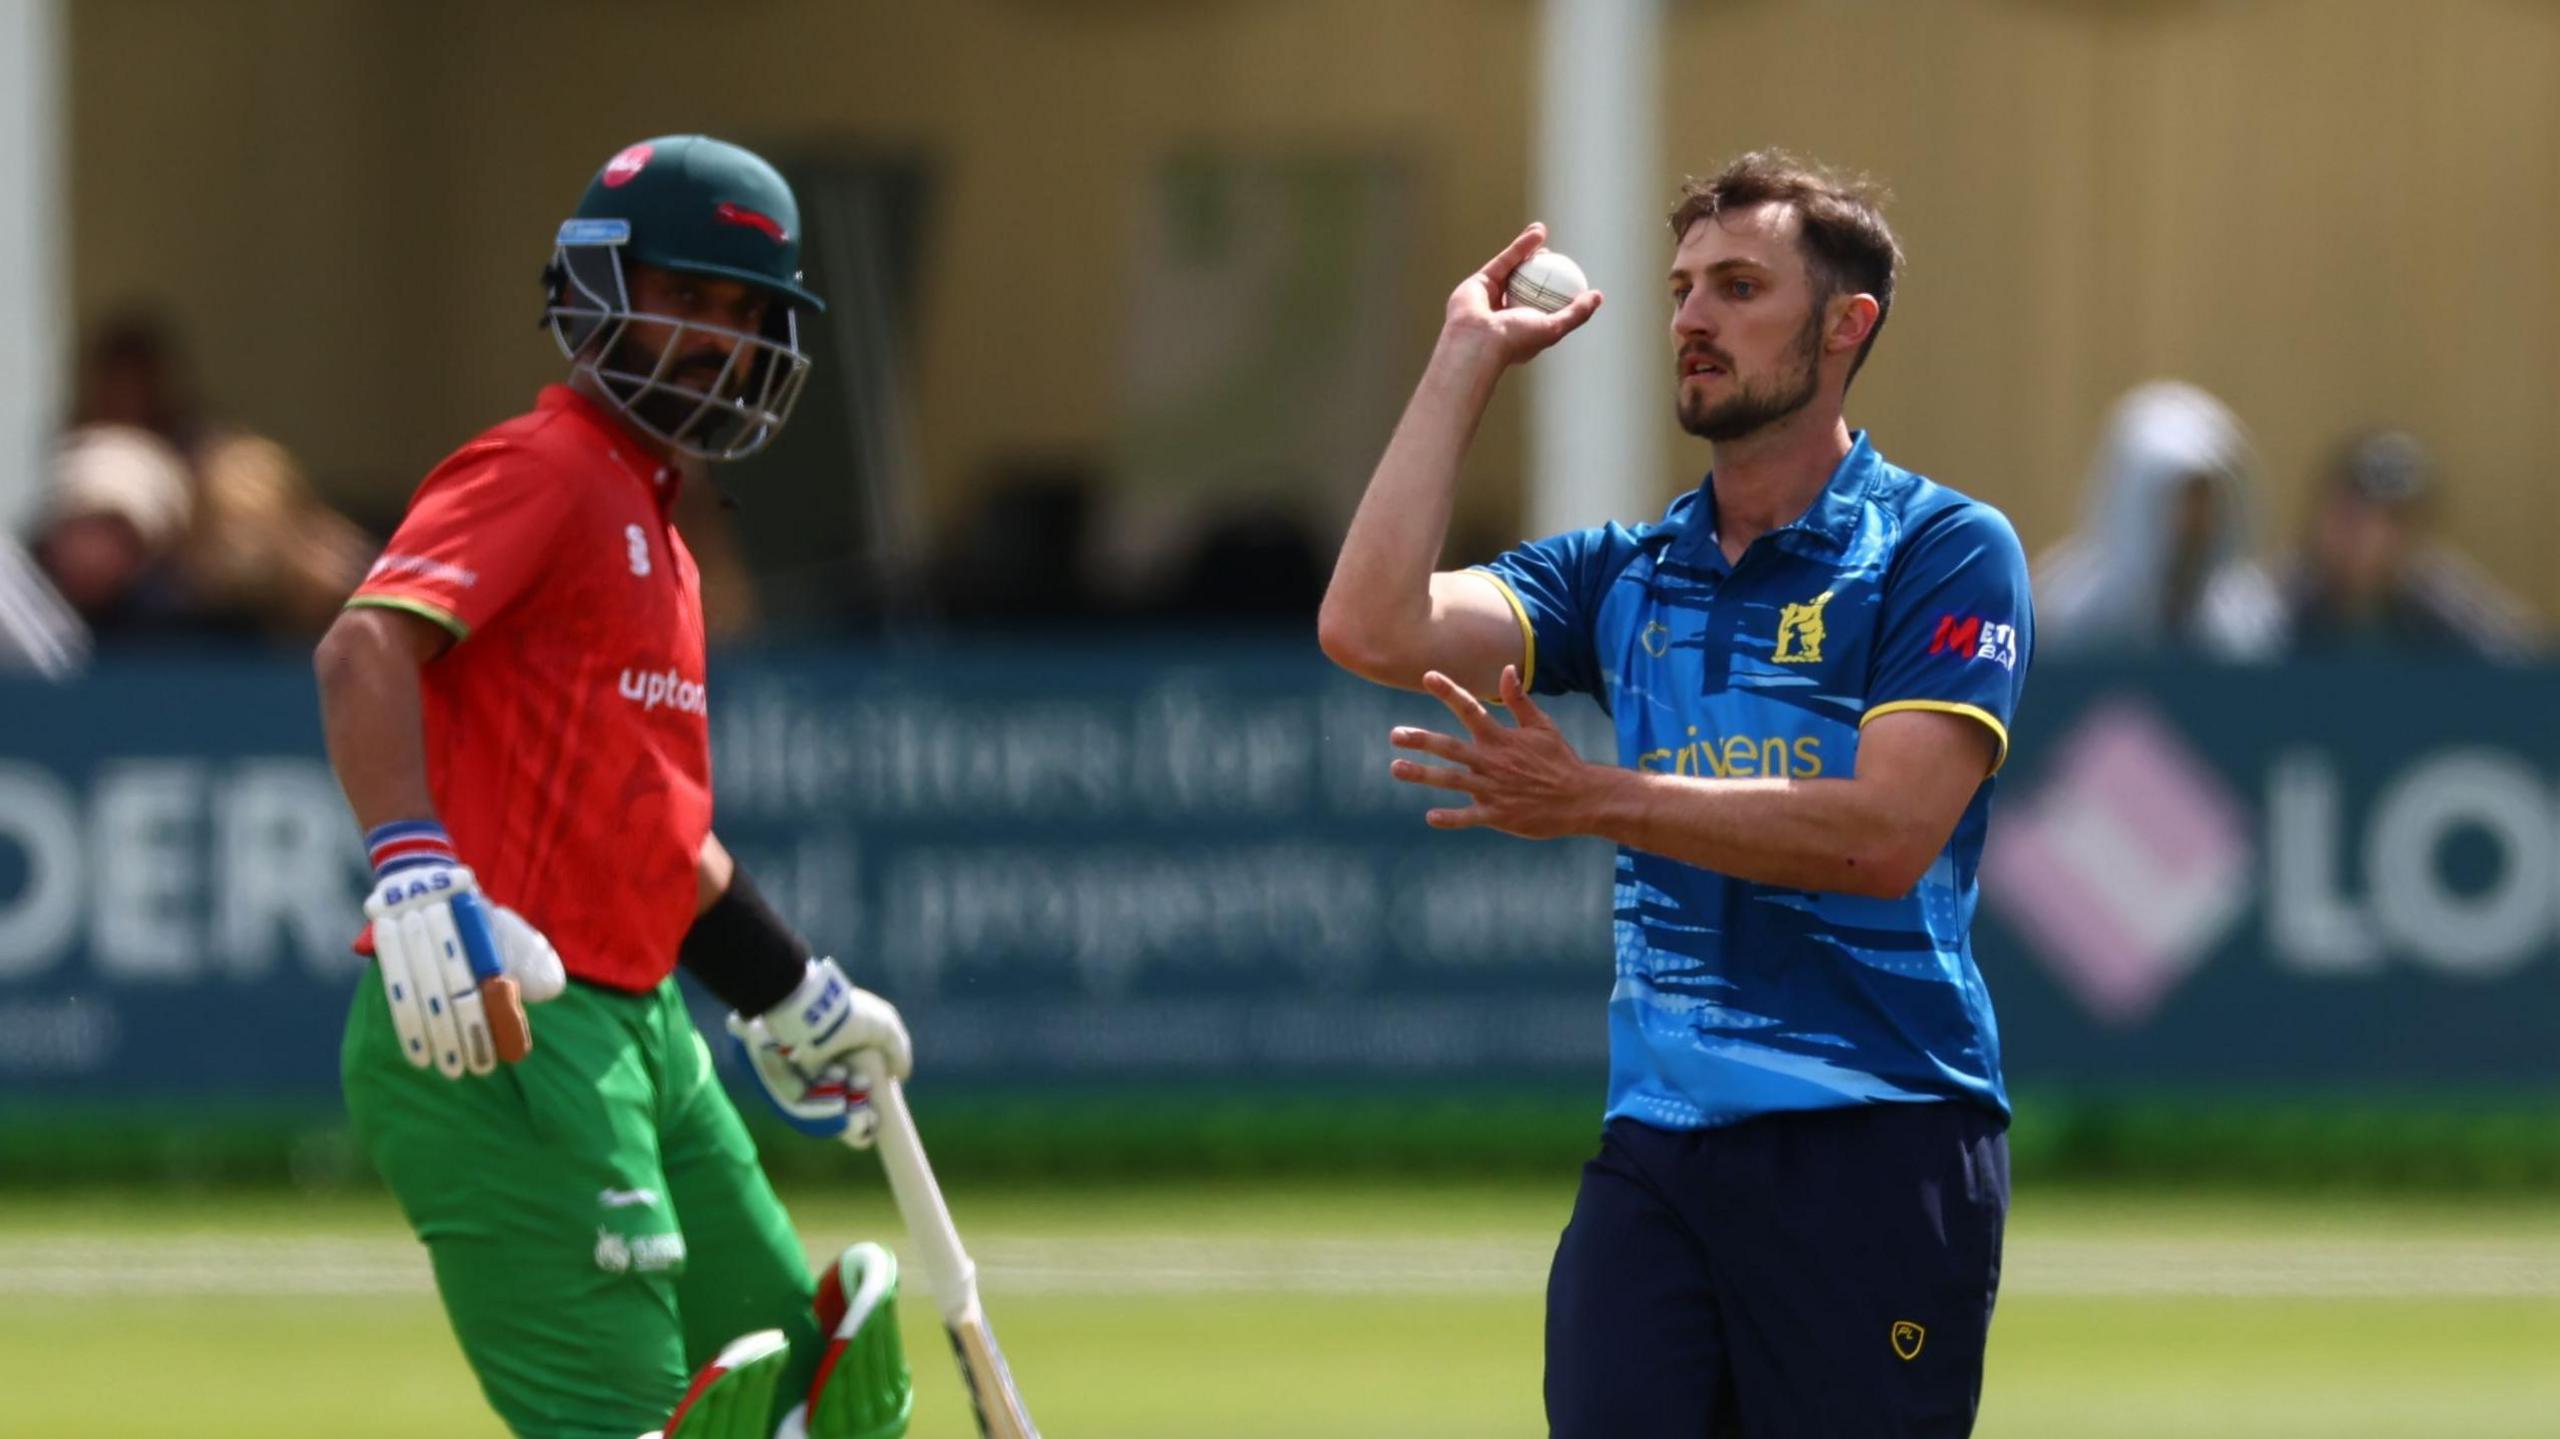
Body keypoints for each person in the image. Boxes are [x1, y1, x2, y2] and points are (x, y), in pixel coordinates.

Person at [1320, 152, 2025, 1437]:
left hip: (1877, 1142)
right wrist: (1459, 364)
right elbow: (1371, 623)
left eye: (1739, 286)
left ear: (1843, 325)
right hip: (1656, 1154)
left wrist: (1596, 799)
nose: (1691, 318)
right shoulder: (1623, 573)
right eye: (1682, 287)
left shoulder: (1940, 548)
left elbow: (1882, 837)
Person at [313, 136, 916, 1439]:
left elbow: (656, 828)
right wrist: (413, 862)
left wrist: (788, 985)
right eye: (687, 297)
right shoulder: (543, 469)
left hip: (645, 1033)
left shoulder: (668, 541)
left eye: (745, 314)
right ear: (595, 287)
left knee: (821, 1390)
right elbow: (364, 644)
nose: (719, 338)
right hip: (504, 1018)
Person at [2033, 380, 2286, 659]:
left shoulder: (2247, 622)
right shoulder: (2067, 612)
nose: (2192, 519)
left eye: (2204, 499)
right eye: (2179, 499)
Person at [2280, 429, 2535, 659]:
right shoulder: (2280, 601)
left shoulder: (2445, 603)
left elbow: (2523, 666)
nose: (2367, 536)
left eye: (2392, 519)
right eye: (2350, 514)